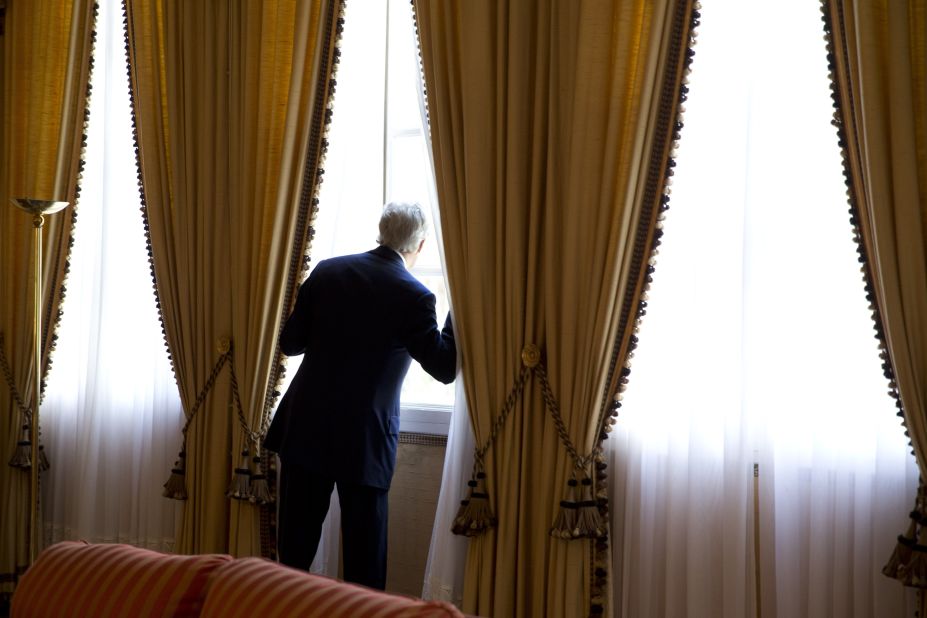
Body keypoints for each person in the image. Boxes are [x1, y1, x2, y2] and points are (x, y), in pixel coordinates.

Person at [264, 202, 457, 590]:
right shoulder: (415, 296)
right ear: (418, 245)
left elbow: (290, 343)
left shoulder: (328, 270)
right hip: (364, 440)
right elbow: (444, 368)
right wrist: (458, 310)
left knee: (293, 555)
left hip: (305, 427)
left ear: (381, 231)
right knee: (364, 564)